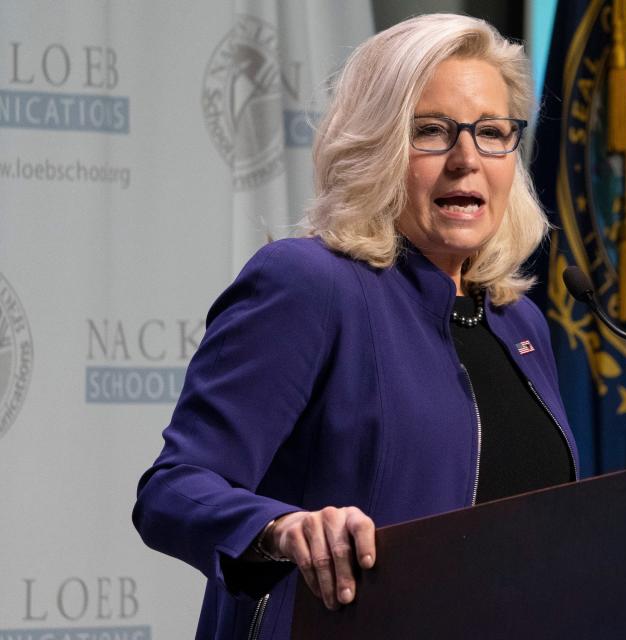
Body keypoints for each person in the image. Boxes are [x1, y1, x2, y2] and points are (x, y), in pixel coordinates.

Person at [133, 13, 578, 640]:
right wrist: (280, 528)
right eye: (431, 131)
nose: (466, 160)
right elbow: (172, 491)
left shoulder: (517, 320)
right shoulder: (310, 284)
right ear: (376, 144)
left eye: (492, 133)